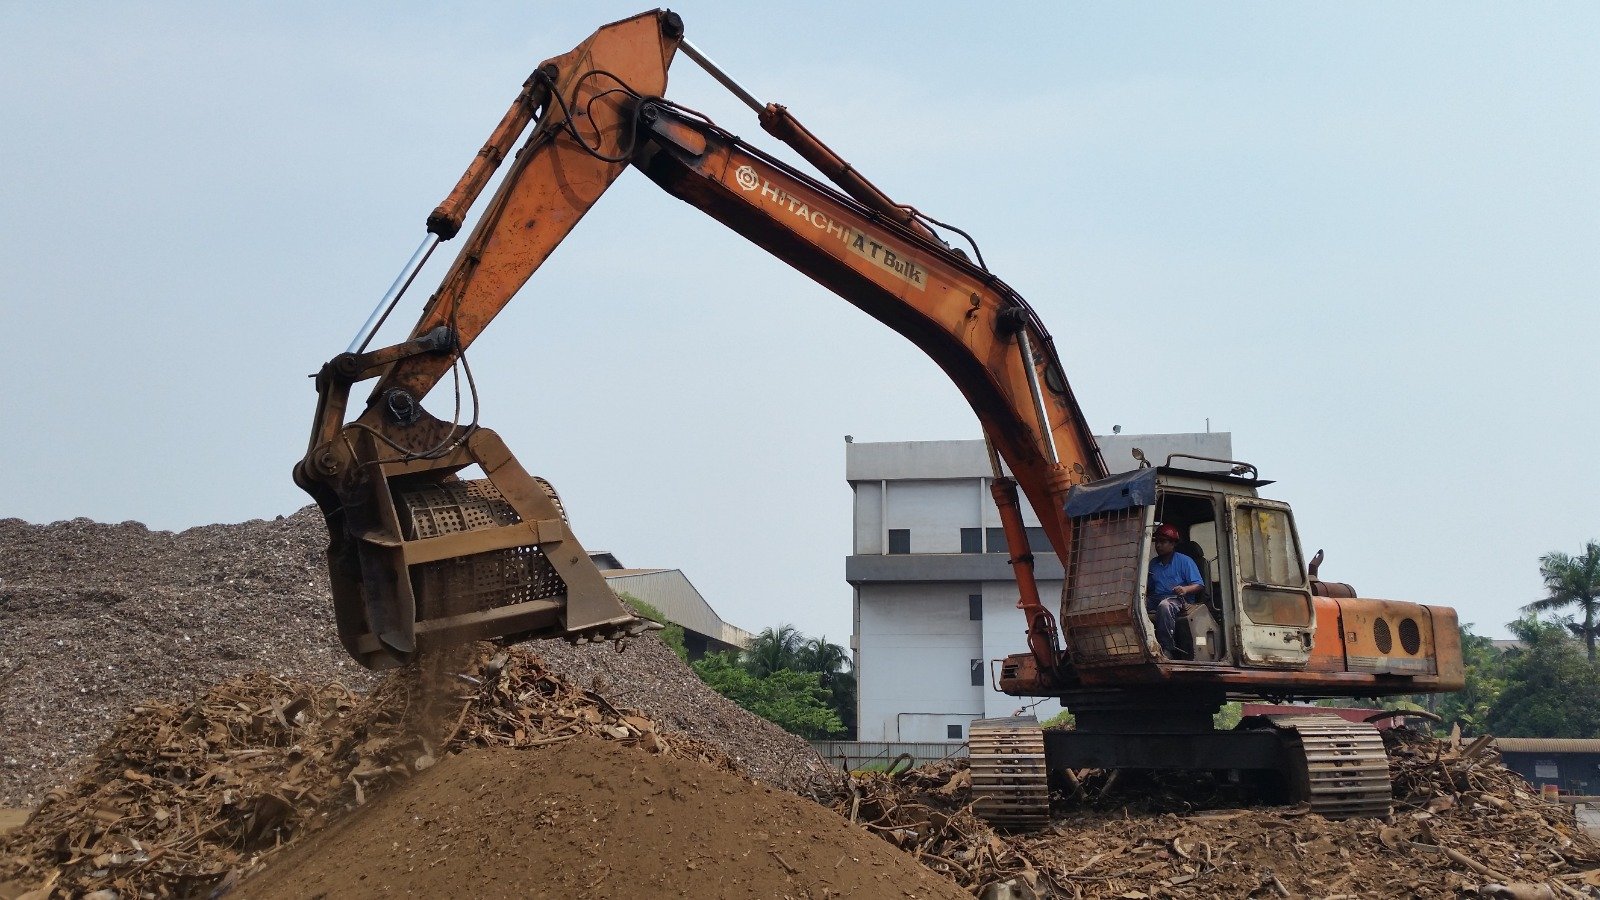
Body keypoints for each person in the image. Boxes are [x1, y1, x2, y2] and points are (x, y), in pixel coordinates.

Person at [1147, 523, 1204, 658]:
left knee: (1165, 606)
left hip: (1179, 599)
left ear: (1173, 544)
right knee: (1138, 604)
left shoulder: (1185, 561)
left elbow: (1199, 585)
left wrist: (1185, 589)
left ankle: (1166, 648)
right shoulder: (1153, 564)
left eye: (1163, 542)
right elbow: (1149, 588)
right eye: (1157, 542)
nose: (1158, 545)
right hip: (1157, 597)